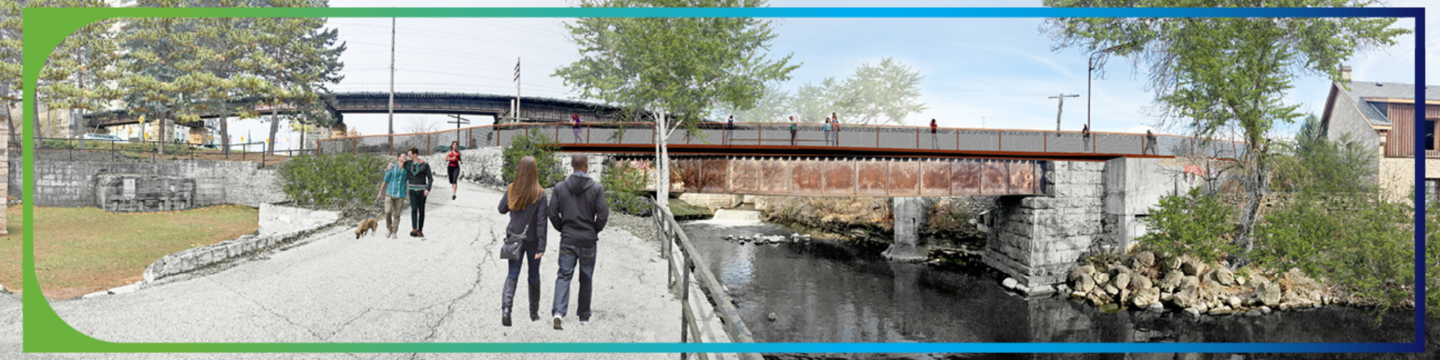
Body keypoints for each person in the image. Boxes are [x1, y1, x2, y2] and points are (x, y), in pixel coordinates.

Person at [547, 154, 609, 330]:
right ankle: (583, 316)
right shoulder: (596, 188)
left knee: (564, 275)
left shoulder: (560, 188)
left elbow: (552, 213)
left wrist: (562, 228)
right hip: (588, 240)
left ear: (571, 166)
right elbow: (603, 215)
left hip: (568, 238)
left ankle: (559, 313)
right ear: (586, 166)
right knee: (586, 277)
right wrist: (594, 229)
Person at [498, 156, 549, 327]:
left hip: (514, 239)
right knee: (533, 275)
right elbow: (542, 222)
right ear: (535, 172)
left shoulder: (512, 189)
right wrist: (542, 245)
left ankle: (506, 310)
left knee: (512, 275)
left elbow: (501, 209)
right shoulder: (540, 194)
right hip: (533, 241)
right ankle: (533, 313)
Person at [375, 153, 408, 239]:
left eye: (406, 156)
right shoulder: (392, 167)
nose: (405, 157)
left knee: (397, 214)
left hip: (400, 195)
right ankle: (389, 228)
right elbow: (386, 180)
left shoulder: (407, 169)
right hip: (390, 193)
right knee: (388, 211)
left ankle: (394, 231)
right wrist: (380, 192)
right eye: (403, 156)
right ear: (398, 158)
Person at [404, 147, 434, 237]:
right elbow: (399, 164)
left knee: (421, 210)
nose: (408, 156)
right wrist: (390, 165)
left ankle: (420, 230)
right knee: (413, 209)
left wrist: (428, 189)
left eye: (410, 155)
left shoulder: (424, 164)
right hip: (412, 190)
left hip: (422, 191)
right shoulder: (407, 164)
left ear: (415, 154)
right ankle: (414, 229)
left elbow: (430, 178)